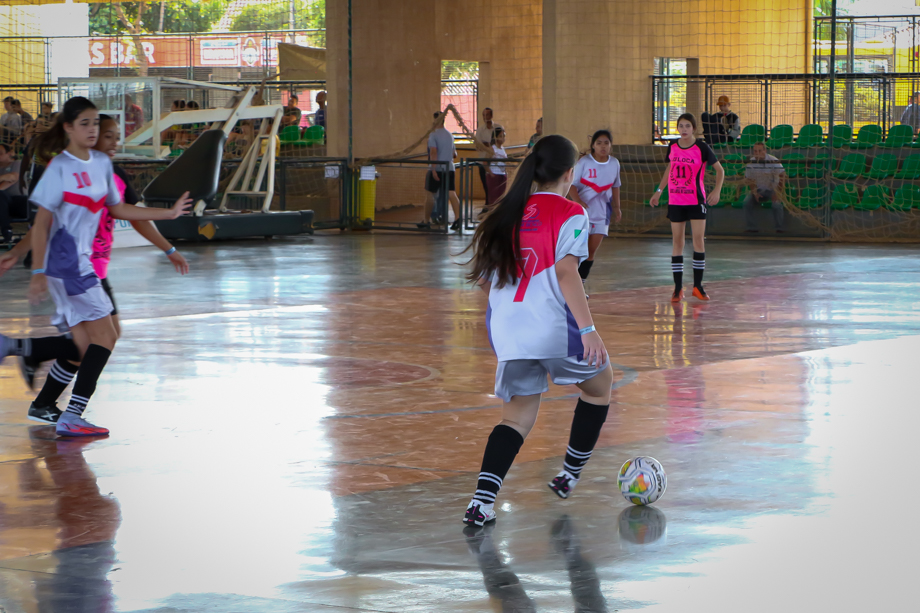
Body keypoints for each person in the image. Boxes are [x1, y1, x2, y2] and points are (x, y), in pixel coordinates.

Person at [0, 96, 192, 437]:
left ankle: (19, 352)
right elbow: (43, 224)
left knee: (86, 344)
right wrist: (37, 272)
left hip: (80, 263)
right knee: (106, 337)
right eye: (84, 124)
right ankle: (72, 414)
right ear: (68, 128)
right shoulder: (59, 168)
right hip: (68, 265)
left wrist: (169, 214)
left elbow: (119, 210)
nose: (92, 130)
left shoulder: (102, 164)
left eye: (95, 123)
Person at [460, 134, 613, 527]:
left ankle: (481, 503)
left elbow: (484, 281)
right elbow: (566, 273)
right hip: (551, 326)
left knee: (515, 419)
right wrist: (589, 328)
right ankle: (568, 475)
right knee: (600, 386)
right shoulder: (573, 213)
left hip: (508, 329)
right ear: (569, 172)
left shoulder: (506, 211)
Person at [650, 113, 724, 302]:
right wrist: (659, 190)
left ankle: (698, 287)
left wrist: (716, 191)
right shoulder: (673, 146)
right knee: (678, 242)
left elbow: (720, 171)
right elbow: (670, 169)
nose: (684, 129)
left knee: (698, 241)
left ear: (694, 129)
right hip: (676, 200)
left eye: (687, 126)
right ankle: (677, 288)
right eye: (681, 126)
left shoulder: (701, 147)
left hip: (695, 200)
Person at [566, 130, 622, 288]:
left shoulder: (614, 163)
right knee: (577, 249)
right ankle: (570, 284)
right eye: (599, 143)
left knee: (591, 251)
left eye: (606, 143)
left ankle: (581, 284)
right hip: (582, 214)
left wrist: (617, 208)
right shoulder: (584, 162)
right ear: (593, 145)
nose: (603, 146)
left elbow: (616, 186)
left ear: (611, 145)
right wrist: (578, 201)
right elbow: (572, 185)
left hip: (602, 213)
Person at [427, 111, 461, 230]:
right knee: (451, 193)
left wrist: (434, 170)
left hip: (439, 168)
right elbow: (454, 154)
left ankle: (426, 220)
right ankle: (458, 219)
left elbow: (433, 152)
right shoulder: (450, 135)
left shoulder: (433, 135)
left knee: (430, 194)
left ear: (436, 120)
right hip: (450, 168)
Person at [742, 142, 785, 233]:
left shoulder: (773, 160)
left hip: (772, 189)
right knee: (746, 203)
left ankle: (779, 228)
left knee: (777, 205)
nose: (757, 153)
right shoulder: (751, 163)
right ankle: (751, 227)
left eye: (759, 150)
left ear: (764, 151)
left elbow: (782, 176)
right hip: (759, 189)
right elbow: (749, 179)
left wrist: (777, 193)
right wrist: (754, 192)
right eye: (755, 151)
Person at [0, 143, 28, 243]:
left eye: (1, 153)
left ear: (9, 153)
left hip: (17, 201)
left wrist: (3, 178)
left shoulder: (17, 163)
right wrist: (5, 177)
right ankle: (6, 231)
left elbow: (13, 178)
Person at [485, 127, 508, 208]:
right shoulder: (492, 149)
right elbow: (485, 162)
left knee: (501, 197)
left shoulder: (502, 149)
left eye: (504, 136)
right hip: (494, 174)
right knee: (494, 197)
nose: (503, 138)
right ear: (495, 137)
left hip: (502, 174)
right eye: (501, 136)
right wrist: (491, 174)